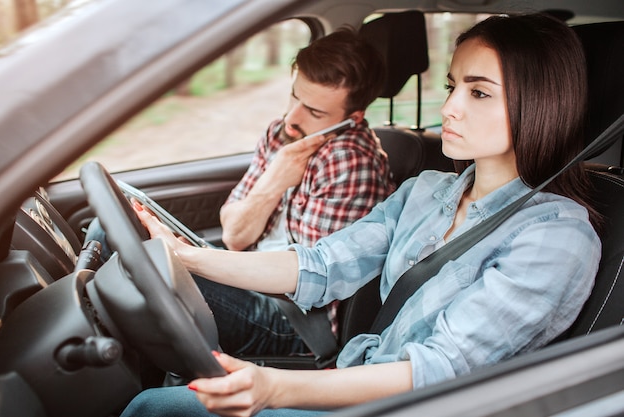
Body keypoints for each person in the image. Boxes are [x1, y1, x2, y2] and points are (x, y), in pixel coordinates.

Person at [120, 13, 601, 417]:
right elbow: (320, 263)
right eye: (452, 86)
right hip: (358, 379)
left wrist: (274, 386)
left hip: (415, 406)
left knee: (151, 408)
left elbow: (437, 372)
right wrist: (190, 258)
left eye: (478, 93)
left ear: (539, 104)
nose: (449, 108)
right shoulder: (427, 191)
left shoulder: (555, 237)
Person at [86, 27, 395, 359]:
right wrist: (277, 176)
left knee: (126, 248)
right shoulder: (283, 133)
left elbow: (303, 284)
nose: (292, 117)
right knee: (115, 230)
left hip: (294, 322)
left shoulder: (350, 163)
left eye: (315, 112)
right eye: (295, 96)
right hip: (247, 274)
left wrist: (200, 263)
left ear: (353, 118)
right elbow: (234, 234)